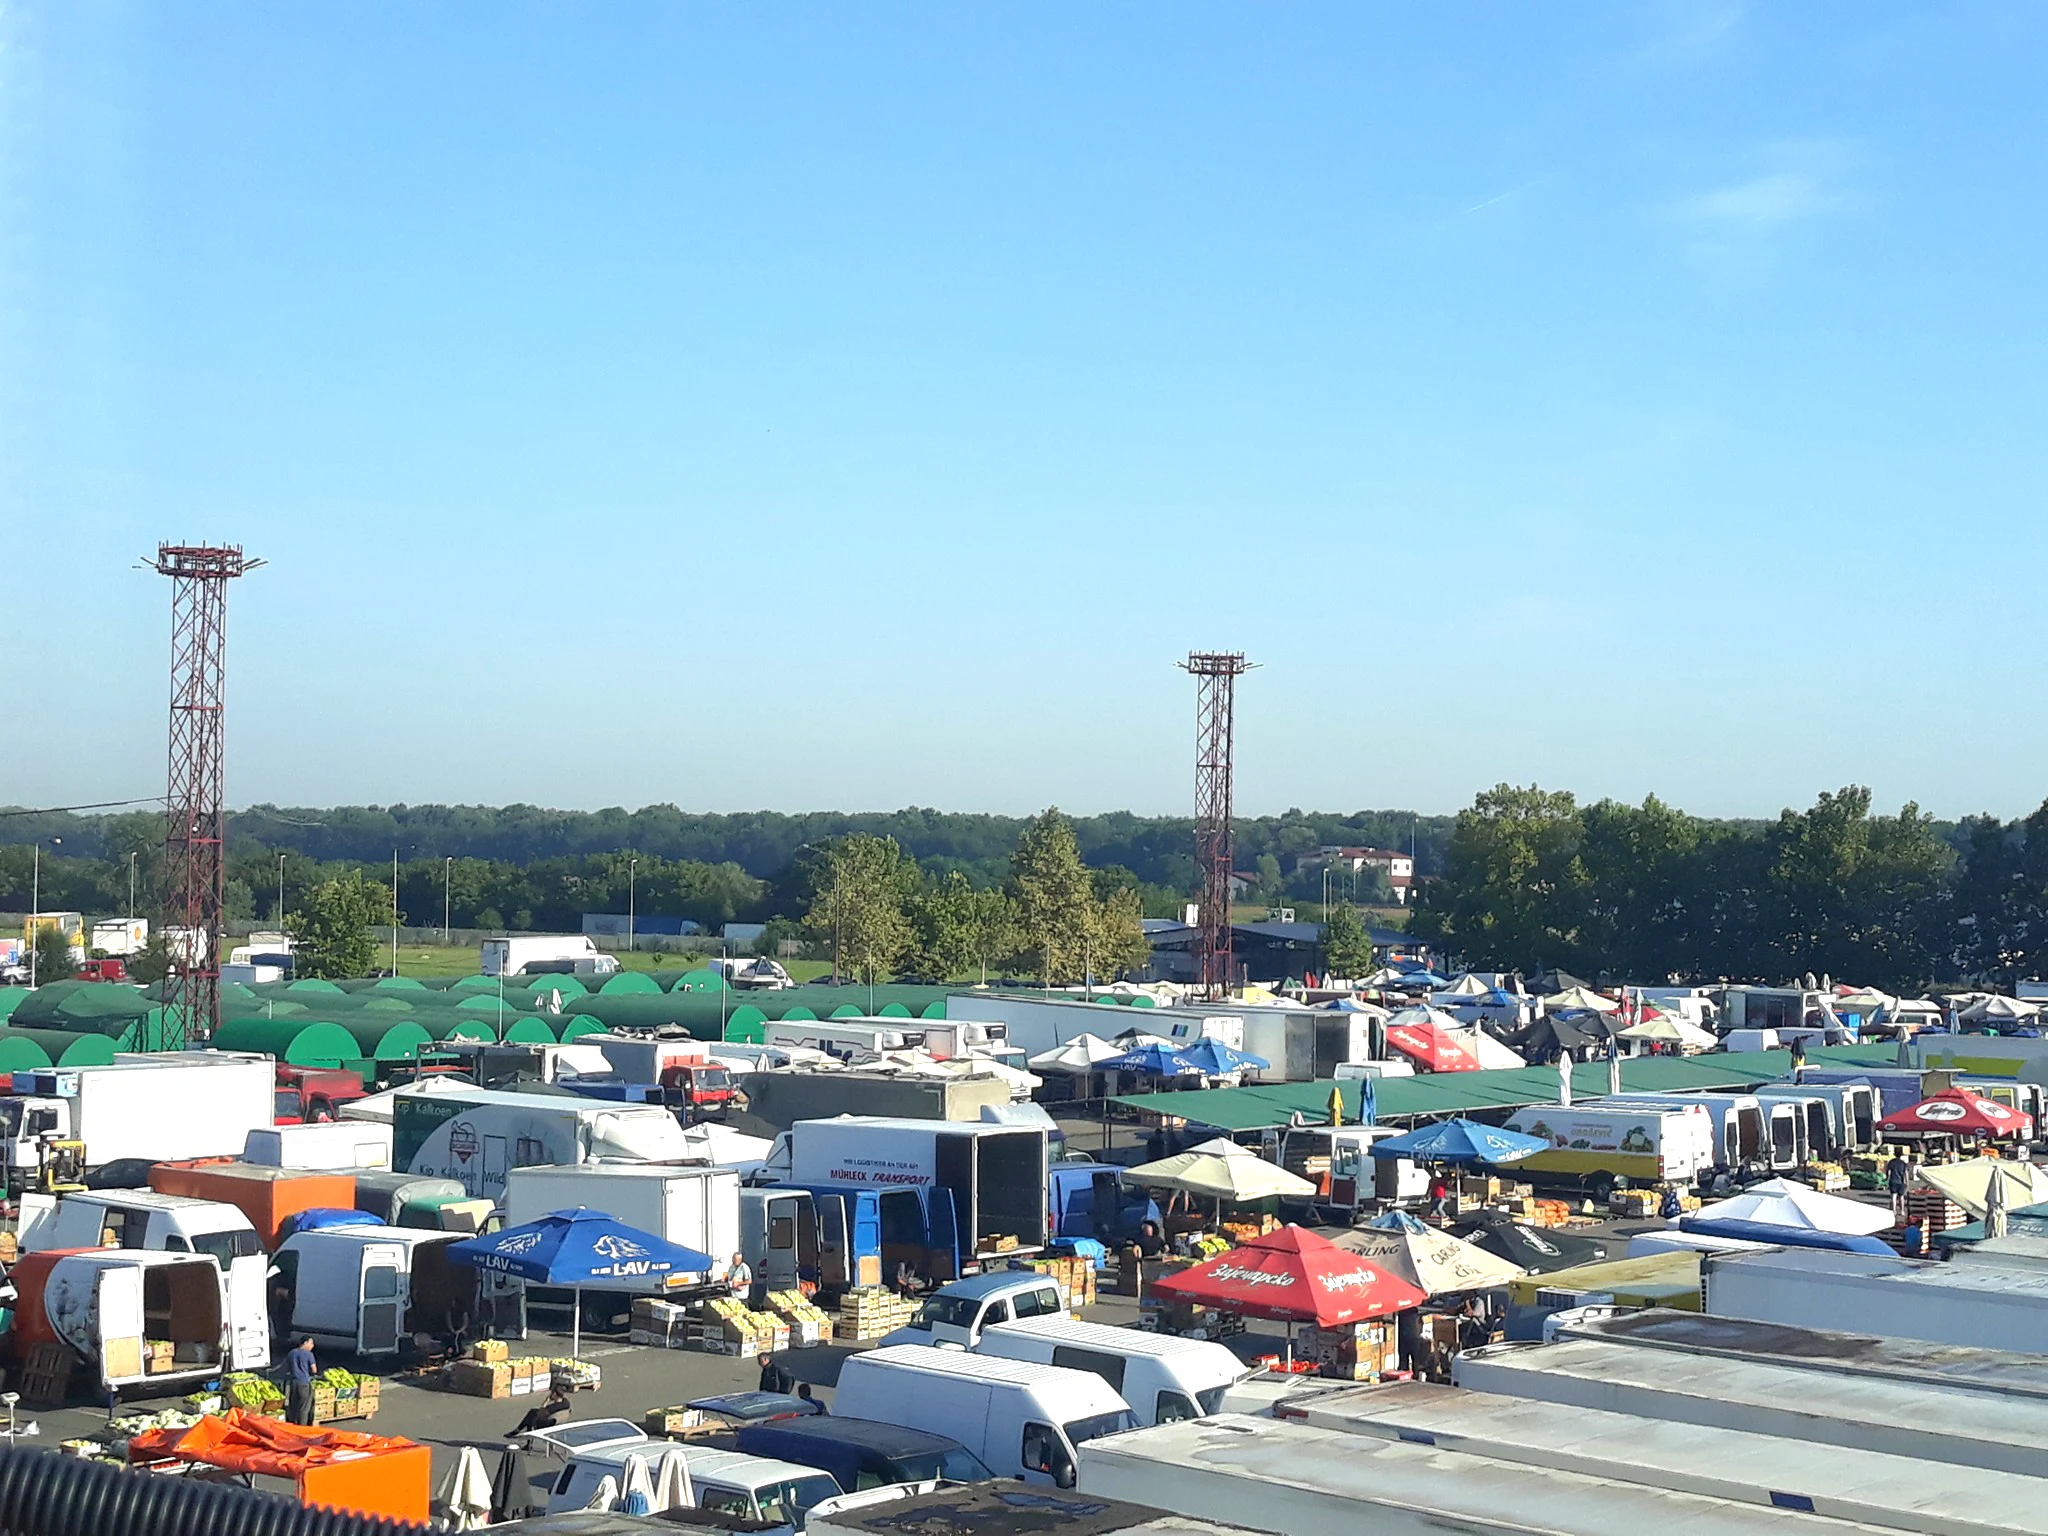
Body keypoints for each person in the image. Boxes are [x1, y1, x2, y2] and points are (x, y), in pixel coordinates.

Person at [285, 1336, 318, 1426]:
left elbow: (287, 1368)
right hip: (304, 1383)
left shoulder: (291, 1353)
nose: (312, 1346)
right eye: (311, 1343)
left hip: (293, 1383)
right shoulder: (309, 1354)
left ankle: (293, 1424)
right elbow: (314, 1370)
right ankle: (302, 1427)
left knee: (294, 1405)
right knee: (304, 1407)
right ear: (305, 1343)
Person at [1887, 1151, 1913, 1219]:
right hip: (1901, 1182)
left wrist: (1887, 1178)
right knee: (1901, 1197)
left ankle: (1894, 1211)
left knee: (1894, 1196)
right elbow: (1906, 1173)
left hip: (1893, 1181)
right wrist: (1907, 1182)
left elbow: (1888, 1171)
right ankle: (1902, 1211)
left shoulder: (1891, 1162)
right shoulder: (1903, 1163)